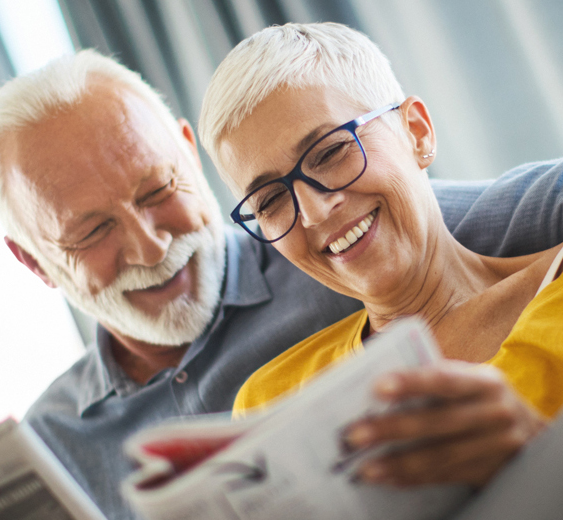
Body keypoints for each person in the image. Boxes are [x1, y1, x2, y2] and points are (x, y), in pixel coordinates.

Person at [0, 50, 562, 519]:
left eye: (158, 192)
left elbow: (432, 238)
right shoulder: (47, 449)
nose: (150, 246)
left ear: (188, 153)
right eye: (94, 230)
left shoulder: (360, 241)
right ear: (35, 263)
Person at [199, 22, 563, 490]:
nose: (311, 212)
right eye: (269, 201)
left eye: (330, 152)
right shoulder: (270, 403)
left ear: (417, 131)